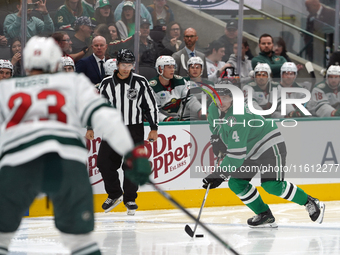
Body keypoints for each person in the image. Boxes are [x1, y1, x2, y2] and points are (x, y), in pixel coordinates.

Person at [0, 36, 151, 255]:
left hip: (18, 162)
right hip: (66, 163)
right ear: (55, 63)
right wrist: (132, 153)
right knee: (80, 242)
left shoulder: (7, 89)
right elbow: (106, 117)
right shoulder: (74, 83)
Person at [202, 86, 325, 228]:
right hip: (249, 150)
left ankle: (310, 202)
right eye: (217, 98)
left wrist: (219, 174)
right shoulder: (212, 108)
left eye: (225, 98)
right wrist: (217, 138)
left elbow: (236, 156)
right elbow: (216, 128)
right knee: (236, 183)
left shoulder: (239, 115)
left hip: (269, 145)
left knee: (272, 186)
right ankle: (264, 215)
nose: (221, 102)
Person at [98, 49, 158, 215]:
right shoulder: (106, 83)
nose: (126, 68)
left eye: (129, 65)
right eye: (123, 64)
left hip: (134, 128)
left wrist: (154, 128)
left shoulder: (140, 82)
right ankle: (115, 193)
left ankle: (130, 198)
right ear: (117, 64)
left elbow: (150, 106)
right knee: (103, 163)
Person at [149, 55, 202, 121]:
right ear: (160, 68)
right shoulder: (152, 87)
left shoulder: (180, 81)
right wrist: (168, 120)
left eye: (173, 67)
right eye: (169, 67)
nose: (172, 70)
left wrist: (200, 110)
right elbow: (153, 111)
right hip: (159, 125)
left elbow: (190, 99)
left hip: (178, 120)